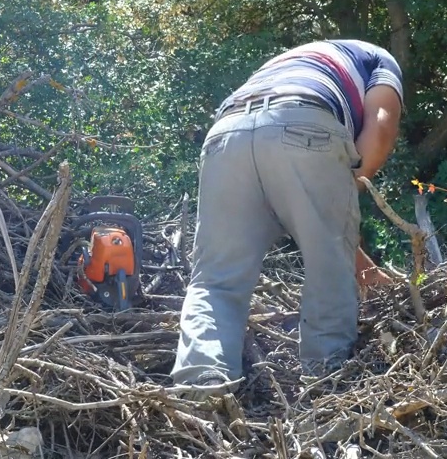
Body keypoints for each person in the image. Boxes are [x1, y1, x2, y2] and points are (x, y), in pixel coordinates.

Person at [171, 39, 404, 394]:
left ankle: (203, 384)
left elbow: (303, 214)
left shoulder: (290, 61)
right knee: (328, 270)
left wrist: (359, 261)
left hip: (226, 134)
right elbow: (382, 126)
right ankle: (327, 386)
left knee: (216, 279)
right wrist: (342, 195)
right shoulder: (377, 58)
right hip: (301, 120)